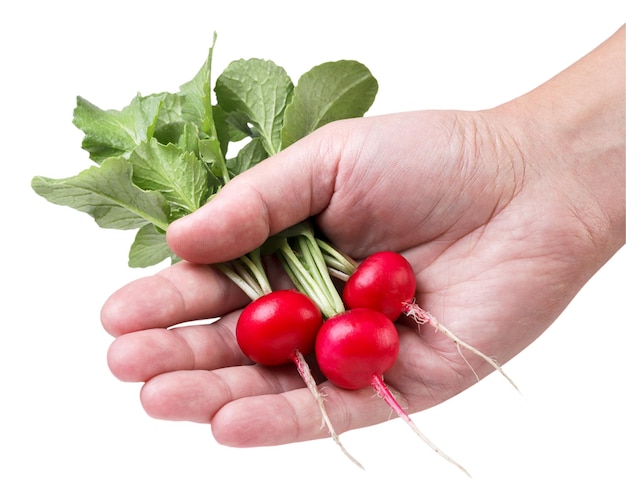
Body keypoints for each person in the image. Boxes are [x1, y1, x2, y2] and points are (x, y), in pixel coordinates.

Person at [101, 25, 624, 447]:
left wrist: (534, 161)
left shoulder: (364, 302)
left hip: (350, 306)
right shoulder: (342, 317)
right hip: (320, 316)